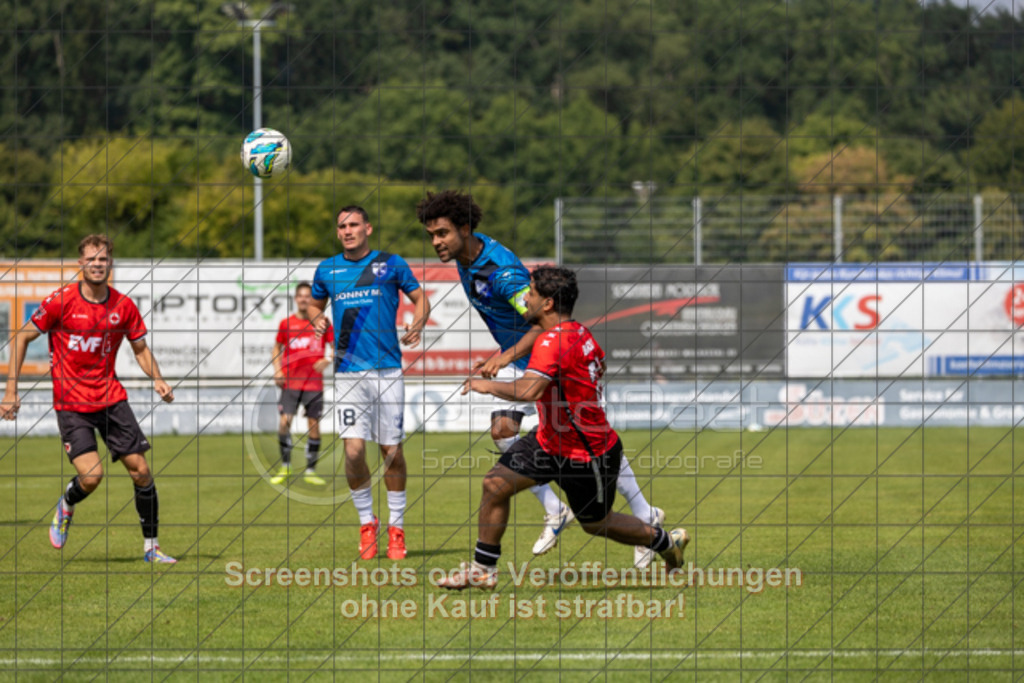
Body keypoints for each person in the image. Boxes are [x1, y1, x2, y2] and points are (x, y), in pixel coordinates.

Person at [417, 190, 665, 568]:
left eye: (442, 233)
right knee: (505, 432)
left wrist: (505, 356)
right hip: (522, 360)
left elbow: (541, 321)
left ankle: (643, 516)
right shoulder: (466, 260)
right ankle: (556, 510)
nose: (436, 241)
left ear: (465, 230)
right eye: (431, 234)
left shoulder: (500, 273)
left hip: (546, 360)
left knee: (589, 438)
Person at [437, 266, 688, 589]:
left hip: (587, 454)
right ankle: (482, 569)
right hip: (548, 441)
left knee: (597, 523)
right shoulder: (578, 332)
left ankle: (666, 542)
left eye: (531, 293)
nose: (525, 298)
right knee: (494, 485)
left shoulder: (553, 342)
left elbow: (529, 391)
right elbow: (600, 363)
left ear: (548, 304)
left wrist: (487, 386)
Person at [0, 234, 177, 563]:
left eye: (104, 259)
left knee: (141, 471)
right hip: (72, 405)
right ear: (80, 264)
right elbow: (22, 336)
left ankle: (151, 548)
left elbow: (140, 349)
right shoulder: (61, 301)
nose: (98, 265)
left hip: (111, 399)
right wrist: (11, 390)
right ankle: (67, 503)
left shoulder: (123, 306)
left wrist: (159, 380)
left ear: (111, 263)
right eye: (92, 260)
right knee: (92, 477)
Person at [308, 206, 430, 561]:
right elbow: (316, 305)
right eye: (341, 226)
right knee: (353, 451)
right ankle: (366, 523)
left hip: (387, 371)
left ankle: (397, 527)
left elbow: (420, 298)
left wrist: (418, 323)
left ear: (368, 228)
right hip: (347, 374)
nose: (347, 231)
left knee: (391, 451)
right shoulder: (327, 269)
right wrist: (317, 319)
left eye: (353, 225)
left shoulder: (391, 264)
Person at [270, 281, 334, 486]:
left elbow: (336, 347)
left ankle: (310, 471)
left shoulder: (323, 323)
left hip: (314, 385)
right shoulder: (286, 324)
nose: (304, 299)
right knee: (284, 423)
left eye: (308, 296)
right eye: (301, 296)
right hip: (291, 383)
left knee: (313, 427)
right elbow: (276, 348)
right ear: (296, 299)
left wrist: (329, 359)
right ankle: (286, 467)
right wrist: (278, 370)